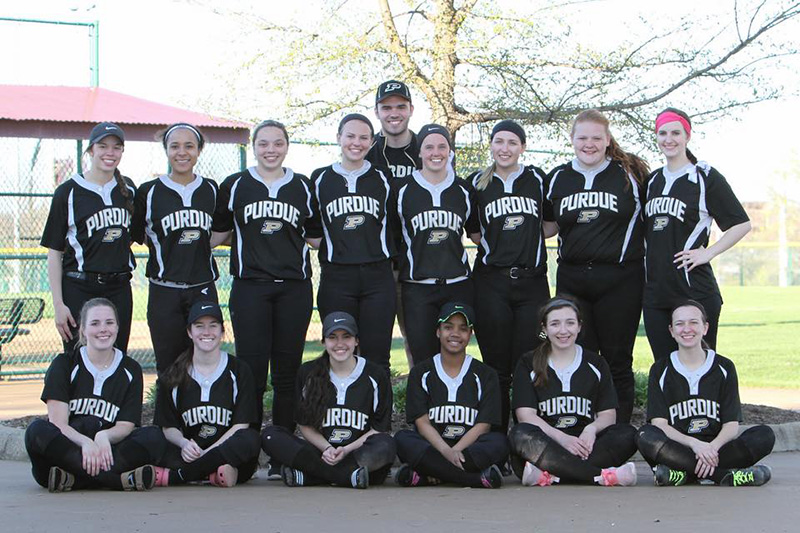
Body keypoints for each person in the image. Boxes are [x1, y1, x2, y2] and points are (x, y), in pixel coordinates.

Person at [212, 120, 316, 478]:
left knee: (287, 372)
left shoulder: (303, 186)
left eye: (278, 143)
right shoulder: (235, 185)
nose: (270, 149)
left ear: (287, 146)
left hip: (293, 287)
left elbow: (316, 237)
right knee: (252, 371)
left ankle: (281, 451)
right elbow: (219, 233)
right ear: (253, 147)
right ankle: (249, 448)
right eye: (263, 143)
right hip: (251, 286)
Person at [544, 109, 649, 423]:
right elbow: (547, 227)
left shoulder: (630, 175)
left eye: (596, 138)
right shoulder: (558, 178)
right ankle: (580, 428)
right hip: (573, 279)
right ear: (572, 140)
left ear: (607, 141)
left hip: (620, 278)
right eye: (582, 138)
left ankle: (618, 434)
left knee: (618, 360)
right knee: (576, 358)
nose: (588, 144)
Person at [643, 108, 751, 360]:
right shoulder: (652, 181)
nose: (668, 139)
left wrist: (708, 253)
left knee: (701, 365)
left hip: (693, 289)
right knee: (665, 366)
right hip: (656, 292)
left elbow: (741, 224)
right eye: (662, 133)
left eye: (675, 133)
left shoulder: (705, 176)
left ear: (687, 136)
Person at [466, 119, 552, 431]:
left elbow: (551, 225)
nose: (505, 148)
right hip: (492, 282)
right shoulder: (476, 183)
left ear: (522, 147)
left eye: (512, 142)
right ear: (490, 145)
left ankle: (530, 434)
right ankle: (498, 438)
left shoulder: (538, 179)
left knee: (531, 361)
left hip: (532, 283)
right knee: (496, 366)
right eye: (499, 142)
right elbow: (475, 233)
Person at [24, 298, 160, 492]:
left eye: (109, 322)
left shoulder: (131, 369)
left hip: (107, 451)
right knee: (36, 431)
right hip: (68, 450)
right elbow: (58, 424)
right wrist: (85, 442)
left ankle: (74, 480)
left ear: (117, 327)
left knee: (154, 436)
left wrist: (103, 437)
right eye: (95, 323)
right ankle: (116, 481)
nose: (103, 329)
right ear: (83, 330)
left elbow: (126, 425)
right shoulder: (64, 364)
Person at [636, 300, 774, 487]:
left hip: (718, 450)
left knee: (764, 435)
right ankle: (725, 476)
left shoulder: (724, 367)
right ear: (671, 331)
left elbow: (731, 426)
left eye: (693, 322)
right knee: (645, 435)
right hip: (678, 449)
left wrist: (711, 448)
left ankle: (682, 475)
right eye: (679, 323)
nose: (687, 329)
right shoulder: (660, 369)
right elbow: (660, 425)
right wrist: (695, 445)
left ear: (705, 327)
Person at [508, 296, 638, 487]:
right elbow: (525, 415)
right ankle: (602, 476)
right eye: (555, 324)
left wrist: (591, 430)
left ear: (579, 326)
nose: (563, 330)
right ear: (544, 328)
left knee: (627, 434)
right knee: (520, 434)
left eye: (570, 323)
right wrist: (562, 439)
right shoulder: (529, 362)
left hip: (586, 446)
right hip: (548, 443)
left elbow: (608, 415)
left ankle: (551, 476)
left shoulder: (596, 363)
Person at [261, 312, 396, 489]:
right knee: (271, 436)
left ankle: (313, 476)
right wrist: (326, 449)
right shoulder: (308, 372)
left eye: (346, 337)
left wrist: (346, 450)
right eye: (332, 337)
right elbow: (304, 424)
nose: (340, 344)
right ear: (324, 342)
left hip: (358, 453)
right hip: (320, 453)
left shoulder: (375, 374)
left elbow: (379, 429)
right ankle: (347, 477)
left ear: (356, 341)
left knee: (386, 445)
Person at [308, 113, 396, 373]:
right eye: (350, 136)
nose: (356, 143)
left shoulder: (383, 178)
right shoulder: (320, 178)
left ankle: (379, 413)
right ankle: (338, 411)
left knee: (377, 355)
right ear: (338, 138)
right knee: (339, 353)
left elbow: (395, 224)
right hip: (337, 276)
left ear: (371, 142)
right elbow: (312, 230)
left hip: (377, 276)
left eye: (363, 137)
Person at [132, 122, 220, 374]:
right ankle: (169, 414)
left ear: (199, 150)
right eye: (175, 146)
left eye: (189, 146)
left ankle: (204, 412)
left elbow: (221, 231)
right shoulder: (148, 192)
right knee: (168, 364)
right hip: (164, 290)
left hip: (202, 287)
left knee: (204, 362)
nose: (182, 152)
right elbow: (141, 234)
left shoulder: (211, 189)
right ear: (166, 150)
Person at [41, 122, 136, 354]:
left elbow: (128, 237)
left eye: (116, 147)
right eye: (103, 146)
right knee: (77, 360)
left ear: (122, 151)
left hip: (119, 287)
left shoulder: (129, 190)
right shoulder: (68, 191)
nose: (110, 153)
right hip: (79, 287)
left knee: (117, 357)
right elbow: (54, 252)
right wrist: (59, 304)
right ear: (91, 150)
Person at [394, 303, 507, 489]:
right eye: (448, 327)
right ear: (438, 331)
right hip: (434, 447)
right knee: (402, 439)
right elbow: (421, 423)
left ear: (470, 334)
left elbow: (484, 425)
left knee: (499, 442)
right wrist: (446, 451)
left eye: (463, 329)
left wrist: (456, 450)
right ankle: (475, 479)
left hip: (469, 450)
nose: (455, 333)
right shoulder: (421, 372)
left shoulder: (486, 374)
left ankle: (429, 474)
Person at [391, 124, 477, 364]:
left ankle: (454, 402)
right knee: (422, 357)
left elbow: (476, 233)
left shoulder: (464, 190)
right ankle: (423, 403)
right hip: (418, 287)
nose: (435, 152)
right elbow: (394, 234)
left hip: (457, 284)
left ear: (449, 151)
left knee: (455, 356)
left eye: (442, 146)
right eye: (429, 147)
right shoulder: (402, 190)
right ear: (420, 152)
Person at [151, 301, 261, 487]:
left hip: (224, 451)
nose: (207, 332)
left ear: (222, 332)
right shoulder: (174, 373)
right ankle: (212, 474)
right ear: (189, 332)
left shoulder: (239, 370)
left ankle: (179, 477)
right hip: (188, 453)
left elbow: (241, 425)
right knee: (149, 437)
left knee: (250, 439)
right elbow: (167, 427)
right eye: (199, 326)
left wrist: (210, 454)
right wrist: (184, 444)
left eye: (213, 326)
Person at [366, 79, 421, 370]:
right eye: (386, 107)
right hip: (380, 264)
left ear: (411, 109)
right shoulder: (368, 151)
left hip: (418, 264)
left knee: (417, 341)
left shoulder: (426, 149)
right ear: (377, 111)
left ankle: (419, 411)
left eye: (400, 106)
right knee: (372, 344)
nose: (394, 113)